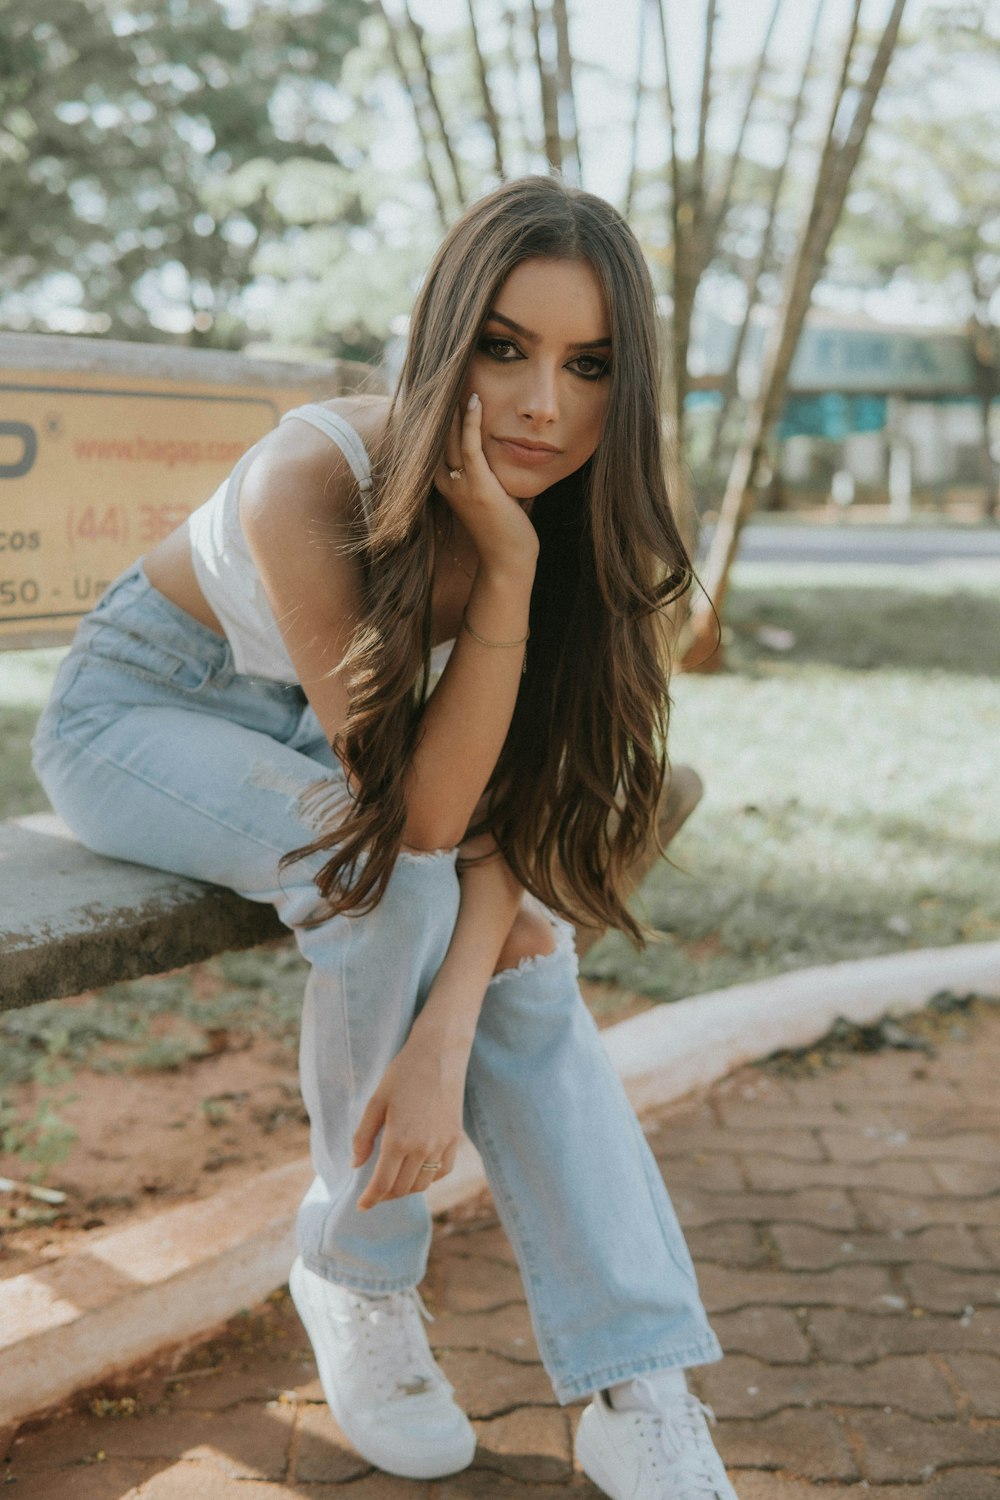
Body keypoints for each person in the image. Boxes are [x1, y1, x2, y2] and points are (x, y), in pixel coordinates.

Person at [32, 176, 738, 1499]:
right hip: (142, 713)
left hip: (360, 748)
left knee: (526, 951)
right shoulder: (314, 478)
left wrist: (446, 1033)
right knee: (376, 888)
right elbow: (405, 834)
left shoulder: (581, 511)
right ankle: (356, 1270)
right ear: (446, 338)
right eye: (505, 347)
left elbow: (510, 817)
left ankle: (638, 1381)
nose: (543, 404)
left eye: (588, 366)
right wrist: (507, 575)